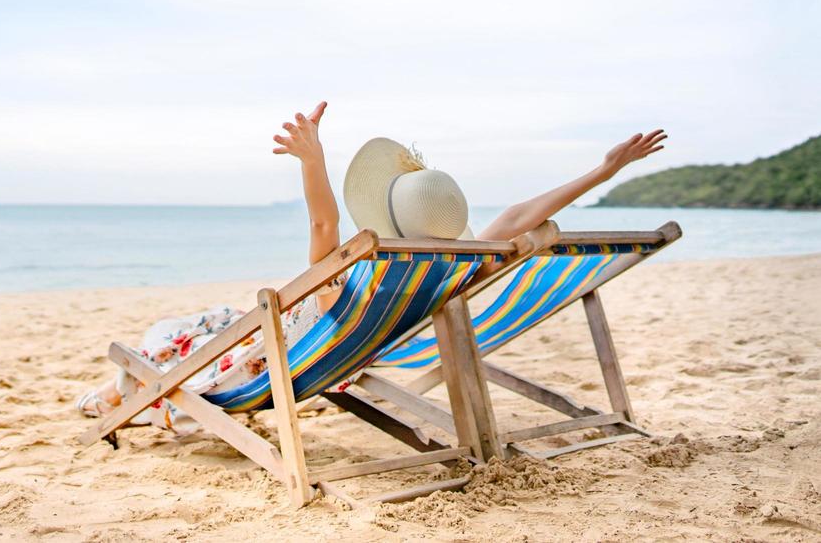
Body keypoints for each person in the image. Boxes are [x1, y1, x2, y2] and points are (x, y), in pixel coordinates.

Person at [75, 101, 667, 428]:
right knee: (208, 327)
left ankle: (118, 393)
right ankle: (126, 388)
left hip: (269, 360)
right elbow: (519, 215)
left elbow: (323, 226)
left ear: (381, 217)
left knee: (189, 338)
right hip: (352, 355)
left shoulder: (347, 278)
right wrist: (604, 172)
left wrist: (312, 159)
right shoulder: (463, 268)